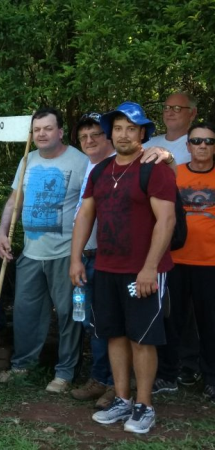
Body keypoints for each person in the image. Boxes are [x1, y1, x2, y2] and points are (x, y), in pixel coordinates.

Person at [70, 101, 176, 434]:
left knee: (142, 338)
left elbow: (166, 220)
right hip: (106, 267)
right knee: (113, 334)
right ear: (110, 133)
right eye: (118, 128)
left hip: (143, 270)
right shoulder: (101, 170)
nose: (124, 135)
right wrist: (75, 259)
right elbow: (85, 215)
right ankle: (122, 398)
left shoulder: (154, 169)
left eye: (131, 128)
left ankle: (144, 406)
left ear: (143, 133)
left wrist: (149, 268)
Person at [0, 107, 87, 393]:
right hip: (31, 253)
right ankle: (23, 365)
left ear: (60, 132)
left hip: (65, 254)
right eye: (37, 130)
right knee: (25, 312)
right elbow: (15, 200)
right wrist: (1, 231)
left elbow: (90, 208)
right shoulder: (28, 159)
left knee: (69, 313)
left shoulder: (80, 162)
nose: (42, 134)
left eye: (48, 128)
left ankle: (65, 373)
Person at [155, 122, 215, 401]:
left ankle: (211, 377)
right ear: (188, 146)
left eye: (209, 142)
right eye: (197, 141)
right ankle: (167, 375)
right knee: (171, 320)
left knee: (210, 323)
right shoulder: (173, 174)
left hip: (210, 263)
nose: (203, 146)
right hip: (174, 261)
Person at [69, 113, 116, 408]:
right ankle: (99, 378)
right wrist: (75, 257)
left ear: (109, 136)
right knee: (90, 321)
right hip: (85, 257)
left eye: (96, 134)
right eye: (84, 137)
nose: (89, 141)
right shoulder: (90, 165)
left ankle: (115, 384)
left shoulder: (117, 166)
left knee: (109, 322)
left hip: (107, 258)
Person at [143, 92, 197, 165]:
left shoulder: (200, 146)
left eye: (177, 108)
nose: (170, 113)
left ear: (192, 113)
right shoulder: (147, 144)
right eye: (167, 108)